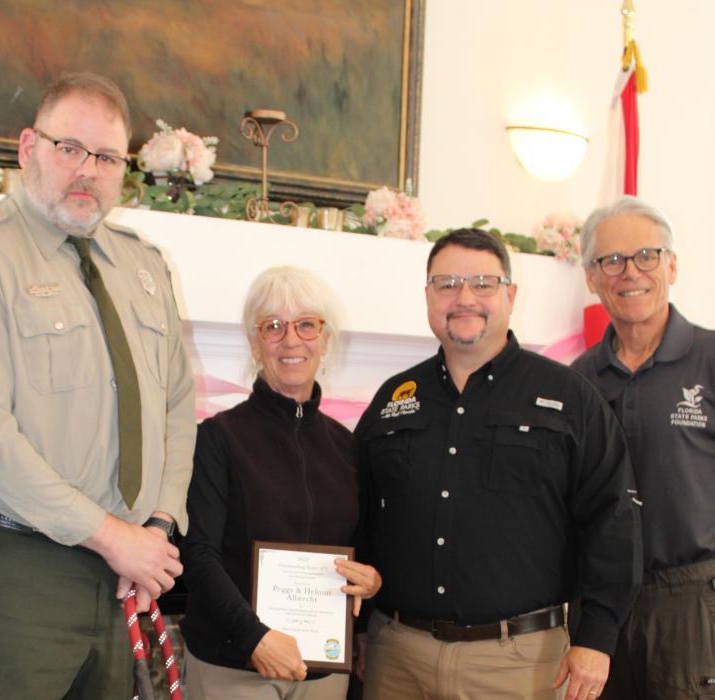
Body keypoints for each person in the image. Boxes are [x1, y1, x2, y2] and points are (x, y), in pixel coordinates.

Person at [0, 72, 195, 700]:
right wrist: (115, 537)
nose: (87, 171)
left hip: (120, 578)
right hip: (18, 575)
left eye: (105, 158)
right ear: (27, 148)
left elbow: (179, 406)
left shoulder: (143, 264)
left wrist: (156, 524)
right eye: (68, 149)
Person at [355, 228, 641, 700]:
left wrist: (597, 638)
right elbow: (360, 516)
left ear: (510, 294)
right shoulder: (394, 398)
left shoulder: (570, 396)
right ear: (428, 296)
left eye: (483, 283)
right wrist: (361, 628)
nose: (464, 297)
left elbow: (613, 520)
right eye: (447, 284)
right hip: (397, 658)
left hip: (519, 662)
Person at [179, 265, 382, 700]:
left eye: (307, 325)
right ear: (255, 342)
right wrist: (254, 637)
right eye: (273, 326)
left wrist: (370, 581)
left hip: (322, 671)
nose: (291, 340)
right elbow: (197, 554)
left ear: (325, 339)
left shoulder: (347, 447)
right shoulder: (218, 437)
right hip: (232, 663)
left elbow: (363, 547)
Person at [571, 196, 715, 699]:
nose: (629, 272)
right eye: (610, 261)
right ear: (591, 277)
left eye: (646, 256)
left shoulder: (710, 359)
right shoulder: (576, 382)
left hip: (693, 601)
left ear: (672, 265)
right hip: (598, 609)